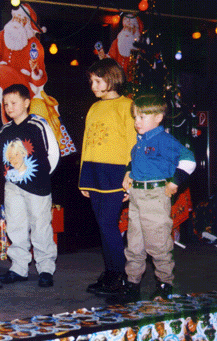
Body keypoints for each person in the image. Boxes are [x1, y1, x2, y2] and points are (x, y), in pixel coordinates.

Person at [107, 94, 196, 304]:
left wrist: (175, 182)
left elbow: (188, 159)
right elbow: (135, 162)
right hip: (137, 196)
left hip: (155, 196)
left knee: (158, 242)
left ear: (158, 117)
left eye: (142, 117)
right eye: (135, 117)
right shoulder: (139, 142)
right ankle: (132, 283)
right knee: (134, 243)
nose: (137, 122)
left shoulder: (163, 140)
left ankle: (164, 283)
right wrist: (129, 175)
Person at [79, 58, 136, 297]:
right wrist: (84, 177)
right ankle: (111, 272)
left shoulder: (127, 106)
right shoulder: (94, 108)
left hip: (116, 174)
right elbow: (87, 144)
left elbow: (134, 141)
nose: (93, 85)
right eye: (91, 81)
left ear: (112, 79)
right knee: (103, 227)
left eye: (98, 81)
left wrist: (130, 173)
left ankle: (122, 276)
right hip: (95, 172)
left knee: (108, 225)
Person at [0, 84, 60, 288]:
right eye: (6, 104)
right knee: (15, 226)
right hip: (13, 187)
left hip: (37, 186)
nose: (9, 107)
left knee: (40, 226)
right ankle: (19, 267)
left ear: (26, 103)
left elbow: (53, 154)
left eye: (14, 103)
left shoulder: (38, 124)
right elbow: (3, 160)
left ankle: (45, 268)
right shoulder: (5, 130)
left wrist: (39, 176)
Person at [0, 4, 46, 120]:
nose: (17, 22)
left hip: (23, 88)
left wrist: (34, 69)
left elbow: (40, 80)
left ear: (28, 24)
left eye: (21, 19)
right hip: (6, 85)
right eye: (15, 18)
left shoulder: (35, 44)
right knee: (7, 122)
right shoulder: (3, 35)